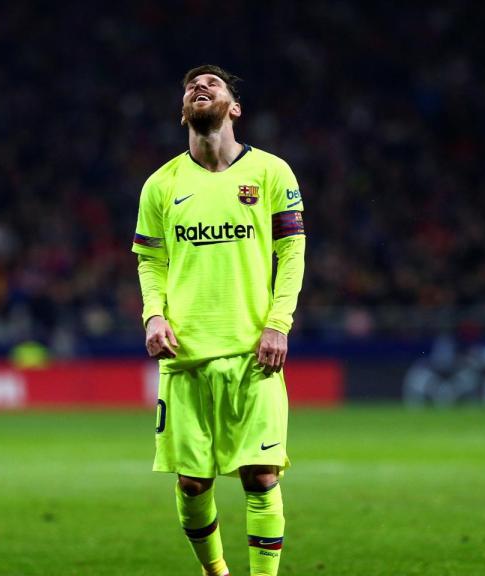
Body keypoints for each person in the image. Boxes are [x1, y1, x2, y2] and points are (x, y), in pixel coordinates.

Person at [131, 64, 306, 576]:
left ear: (234, 109)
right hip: (184, 356)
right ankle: (216, 572)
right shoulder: (160, 185)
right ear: (183, 111)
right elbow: (150, 261)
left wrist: (279, 323)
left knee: (261, 476)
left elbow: (291, 253)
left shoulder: (272, 173)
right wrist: (153, 317)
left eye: (212, 84)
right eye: (190, 87)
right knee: (191, 483)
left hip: (253, 353)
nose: (198, 87)